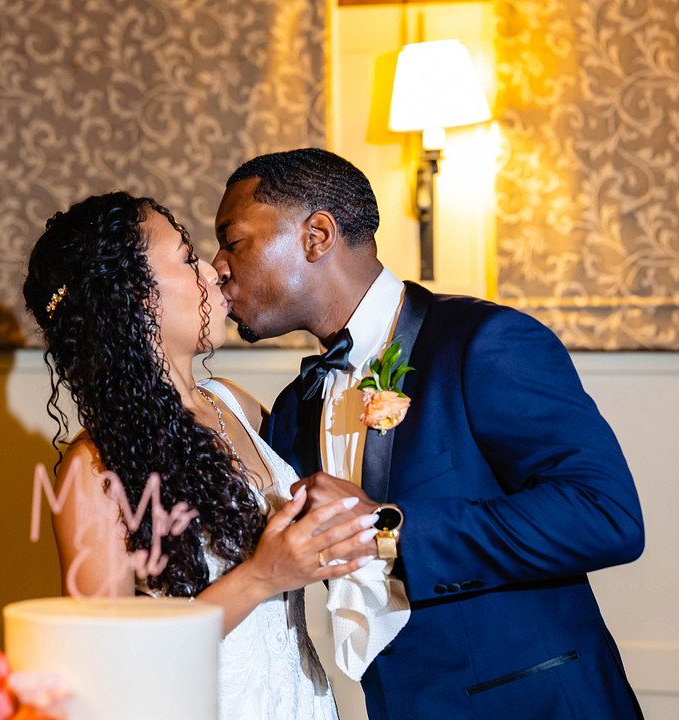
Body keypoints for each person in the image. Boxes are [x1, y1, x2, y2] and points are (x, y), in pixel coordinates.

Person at [211, 148, 646, 719]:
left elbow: (606, 515)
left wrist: (382, 528)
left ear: (317, 235)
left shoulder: (484, 342)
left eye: (233, 240)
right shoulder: (296, 410)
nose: (217, 265)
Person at [22, 191, 379, 720]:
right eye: (188, 258)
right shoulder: (94, 470)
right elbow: (107, 664)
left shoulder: (238, 404)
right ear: (136, 295)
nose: (214, 272)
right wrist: (260, 575)